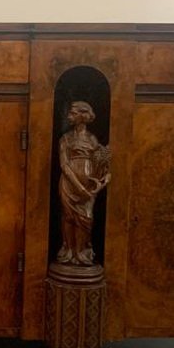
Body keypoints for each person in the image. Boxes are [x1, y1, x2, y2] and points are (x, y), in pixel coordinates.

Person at [56, 101, 110, 266]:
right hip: (69, 184)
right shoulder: (65, 138)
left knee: (86, 218)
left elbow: (99, 162)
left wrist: (105, 176)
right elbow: (64, 165)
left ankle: (82, 253)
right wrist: (79, 187)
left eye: (73, 113)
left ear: (82, 116)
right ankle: (68, 251)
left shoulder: (92, 139)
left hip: (88, 186)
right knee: (68, 217)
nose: (68, 116)